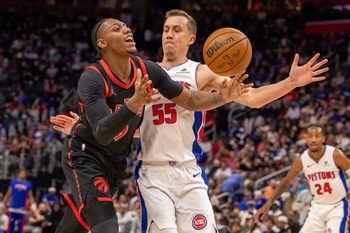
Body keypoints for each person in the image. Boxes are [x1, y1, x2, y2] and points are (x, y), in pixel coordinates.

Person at [51, 10, 329, 233]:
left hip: (188, 170)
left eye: (177, 29)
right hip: (152, 170)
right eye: (165, 29)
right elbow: (130, 130)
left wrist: (290, 83)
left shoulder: (201, 72)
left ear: (192, 38)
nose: (169, 35)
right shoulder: (144, 72)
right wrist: (82, 128)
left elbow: (252, 98)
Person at [51, 17, 249, 233]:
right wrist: (134, 104)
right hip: (86, 156)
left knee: (77, 224)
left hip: (116, 162)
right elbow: (102, 134)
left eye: (127, 27)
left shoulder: (148, 70)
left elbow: (189, 100)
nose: (127, 31)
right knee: (106, 227)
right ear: (102, 43)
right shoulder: (93, 78)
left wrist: (221, 98)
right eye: (117, 29)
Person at [254, 124, 350, 233]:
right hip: (317, 208)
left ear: (323, 138)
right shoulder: (301, 160)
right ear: (306, 138)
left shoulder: (335, 155)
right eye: (310, 136)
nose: (313, 140)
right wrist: (268, 204)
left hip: (337, 207)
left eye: (317, 136)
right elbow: (286, 182)